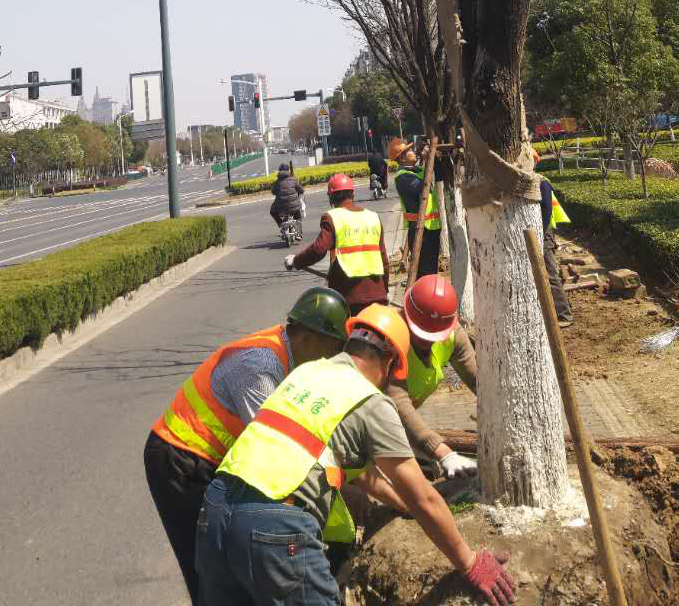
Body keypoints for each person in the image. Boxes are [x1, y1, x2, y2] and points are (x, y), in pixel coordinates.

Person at [196, 303, 517, 606]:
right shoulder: (369, 402)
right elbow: (424, 499)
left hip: (215, 512)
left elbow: (357, 471)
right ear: (390, 362)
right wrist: (470, 562)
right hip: (276, 525)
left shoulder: (306, 375)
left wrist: (398, 504)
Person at [144, 286, 349, 605]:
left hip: (208, 461)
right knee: (207, 564)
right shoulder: (260, 367)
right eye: (331, 348)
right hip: (179, 459)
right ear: (308, 336)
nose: (331, 359)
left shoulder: (289, 356)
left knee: (228, 561)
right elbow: (279, 443)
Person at [386, 274, 478, 478]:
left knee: (427, 471)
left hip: (398, 425)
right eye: (421, 332)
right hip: (370, 423)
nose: (427, 340)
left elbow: (478, 381)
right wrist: (443, 452)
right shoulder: (389, 337)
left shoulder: (452, 335)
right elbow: (397, 401)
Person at [284, 173, 389, 309]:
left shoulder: (332, 217)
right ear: (352, 194)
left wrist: (296, 260)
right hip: (377, 294)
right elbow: (384, 259)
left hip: (348, 297)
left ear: (331, 198)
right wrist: (384, 289)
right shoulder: (373, 217)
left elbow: (318, 249)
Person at [391, 143, 441, 279]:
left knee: (431, 270)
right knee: (423, 272)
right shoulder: (402, 177)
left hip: (432, 227)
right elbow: (421, 186)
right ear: (402, 158)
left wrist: (434, 157)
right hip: (419, 229)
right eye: (410, 150)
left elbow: (438, 175)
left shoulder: (417, 170)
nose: (414, 152)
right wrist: (426, 159)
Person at [535, 156, 574, 327]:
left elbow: (546, 211)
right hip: (540, 233)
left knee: (550, 274)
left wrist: (539, 232)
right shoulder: (531, 181)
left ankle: (564, 315)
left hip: (543, 233)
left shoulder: (542, 183)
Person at [270, 161, 305, 230]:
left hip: (280, 207)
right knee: (298, 215)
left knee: (272, 211)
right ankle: (299, 233)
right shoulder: (293, 179)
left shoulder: (277, 182)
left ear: (279, 171)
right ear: (288, 170)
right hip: (294, 207)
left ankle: (281, 224)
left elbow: (273, 192)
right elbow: (301, 190)